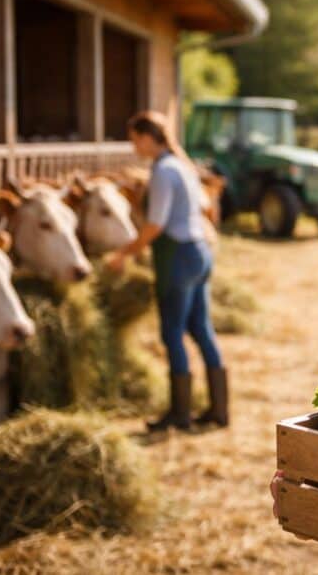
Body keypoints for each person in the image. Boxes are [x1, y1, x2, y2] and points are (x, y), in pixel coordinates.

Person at [108, 110, 229, 431]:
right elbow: (203, 208)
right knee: (201, 328)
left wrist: (123, 254)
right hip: (201, 251)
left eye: (135, 140)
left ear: (149, 138)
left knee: (172, 332)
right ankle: (219, 410)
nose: (134, 147)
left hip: (177, 257)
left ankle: (179, 415)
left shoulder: (163, 171)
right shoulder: (184, 166)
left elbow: (155, 226)